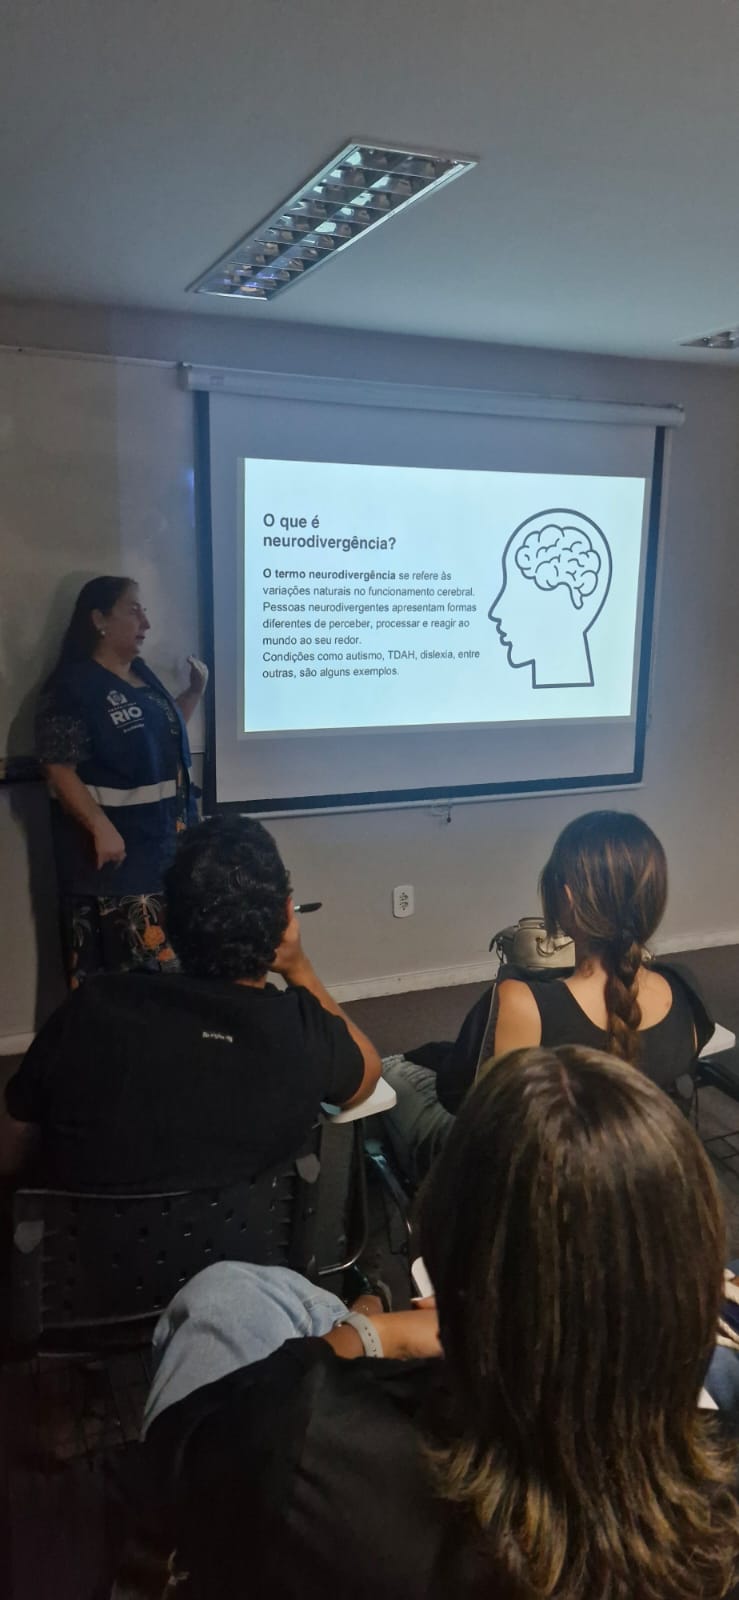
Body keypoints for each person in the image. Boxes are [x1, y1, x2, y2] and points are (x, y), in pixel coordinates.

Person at [137, 1046, 739, 1600]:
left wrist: (373, 1332)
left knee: (226, 1295)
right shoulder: (718, 1492)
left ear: (446, 1257)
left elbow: (179, 1457)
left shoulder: (314, 1436)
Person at [0, 814, 381, 1188]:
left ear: (165, 920)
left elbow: (11, 1152)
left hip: (92, 1231)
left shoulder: (90, 1009)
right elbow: (367, 1075)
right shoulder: (306, 1033)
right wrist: (300, 968)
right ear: (285, 917)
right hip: (250, 1231)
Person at [382, 810, 712, 1184]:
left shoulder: (521, 1003)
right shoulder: (683, 987)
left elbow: (467, 1108)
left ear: (566, 899)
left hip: (543, 1200)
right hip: (648, 1188)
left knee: (393, 1071)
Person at [36, 575, 208, 985]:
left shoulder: (143, 675)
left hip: (166, 851)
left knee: (173, 979)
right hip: (116, 866)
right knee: (124, 986)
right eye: (133, 611)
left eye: (144, 611)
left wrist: (193, 694)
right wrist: (100, 826)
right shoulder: (73, 687)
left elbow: (162, 735)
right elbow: (57, 766)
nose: (145, 622)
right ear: (99, 619)